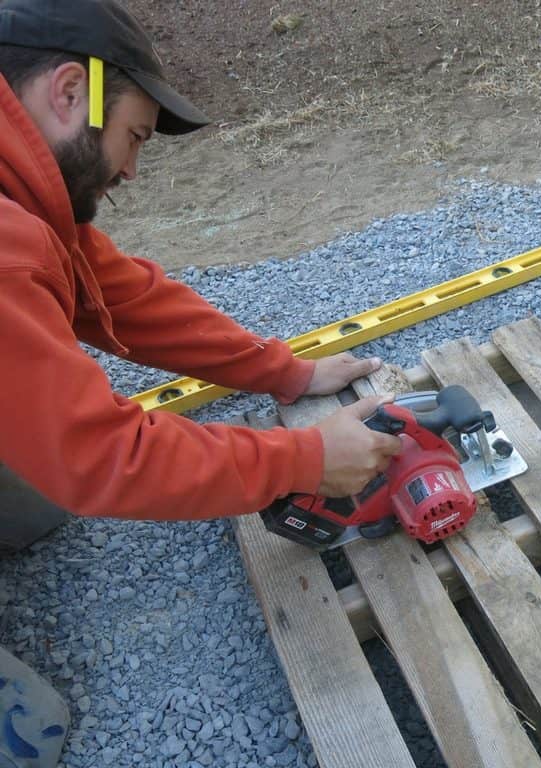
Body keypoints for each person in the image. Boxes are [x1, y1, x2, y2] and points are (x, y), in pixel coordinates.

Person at [0, 0, 404, 546]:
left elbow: (125, 299)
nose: (131, 171)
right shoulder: (10, 246)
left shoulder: (27, 201)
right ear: (71, 92)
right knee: (30, 494)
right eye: (134, 136)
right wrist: (304, 460)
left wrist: (284, 372)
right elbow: (94, 454)